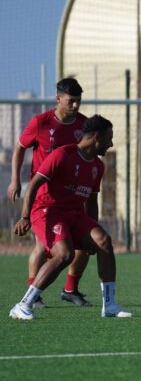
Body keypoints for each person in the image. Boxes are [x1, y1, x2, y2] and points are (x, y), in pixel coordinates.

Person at [10, 115, 131, 320]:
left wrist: (92, 231)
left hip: (74, 215)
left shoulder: (98, 166)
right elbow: (34, 185)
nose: (111, 144)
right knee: (64, 255)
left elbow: (91, 201)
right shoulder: (62, 155)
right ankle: (23, 305)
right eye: (109, 139)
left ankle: (109, 306)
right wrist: (24, 217)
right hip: (47, 211)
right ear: (96, 137)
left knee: (103, 241)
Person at [7, 78, 93, 309]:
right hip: (45, 197)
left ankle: (70, 289)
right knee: (43, 247)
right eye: (71, 101)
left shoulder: (84, 126)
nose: (75, 106)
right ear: (58, 99)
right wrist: (15, 179)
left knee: (85, 244)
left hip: (74, 196)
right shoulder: (40, 123)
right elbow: (19, 148)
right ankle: (33, 295)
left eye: (78, 101)